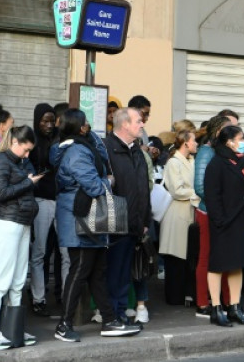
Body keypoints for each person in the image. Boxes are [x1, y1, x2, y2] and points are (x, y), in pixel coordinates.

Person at [51, 109, 140, 342]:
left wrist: (94, 141)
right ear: (79, 127)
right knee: (79, 271)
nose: (89, 126)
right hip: (78, 220)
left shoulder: (83, 146)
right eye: (86, 123)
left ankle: (110, 320)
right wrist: (108, 181)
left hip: (88, 219)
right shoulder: (76, 152)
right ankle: (64, 324)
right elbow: (94, 186)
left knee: (97, 273)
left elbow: (101, 157)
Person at [0, 126, 40, 349]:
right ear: (13, 141)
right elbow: (2, 193)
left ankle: (13, 329)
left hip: (23, 223)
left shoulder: (21, 162)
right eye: (25, 150)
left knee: (18, 280)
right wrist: (28, 182)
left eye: (30, 151)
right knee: (1, 280)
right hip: (6, 223)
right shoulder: (0, 161)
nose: (27, 155)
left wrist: (28, 177)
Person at [203, 125, 244, 327]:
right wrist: (219, 220)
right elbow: (212, 195)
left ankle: (234, 307)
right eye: (240, 138)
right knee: (218, 264)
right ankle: (216, 309)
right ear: (229, 141)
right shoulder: (217, 163)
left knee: (237, 264)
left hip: (242, 221)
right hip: (225, 222)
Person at [103, 108, 152, 324]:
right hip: (114, 221)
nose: (142, 125)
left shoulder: (137, 152)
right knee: (113, 272)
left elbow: (144, 189)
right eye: (138, 121)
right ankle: (112, 315)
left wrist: (145, 220)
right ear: (124, 124)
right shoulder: (106, 149)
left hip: (134, 222)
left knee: (125, 273)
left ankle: (120, 313)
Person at [192, 116, 232, 316]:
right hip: (208, 212)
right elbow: (200, 186)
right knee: (206, 258)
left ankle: (226, 301)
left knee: (224, 258)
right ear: (218, 131)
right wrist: (220, 205)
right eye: (228, 129)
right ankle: (202, 302)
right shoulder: (206, 152)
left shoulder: (223, 153)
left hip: (222, 213)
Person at [158, 128, 200, 305]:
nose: (196, 143)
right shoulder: (173, 163)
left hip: (190, 211)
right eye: (194, 141)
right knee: (176, 257)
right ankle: (175, 296)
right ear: (186, 143)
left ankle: (186, 294)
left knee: (188, 256)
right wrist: (198, 193)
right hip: (177, 213)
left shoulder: (192, 160)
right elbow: (176, 190)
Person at [28, 103, 62, 316]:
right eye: (44, 121)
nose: (49, 125)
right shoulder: (32, 141)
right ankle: (38, 298)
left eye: (52, 120)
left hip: (61, 198)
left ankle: (66, 295)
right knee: (39, 252)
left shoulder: (60, 138)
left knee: (66, 252)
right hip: (41, 199)